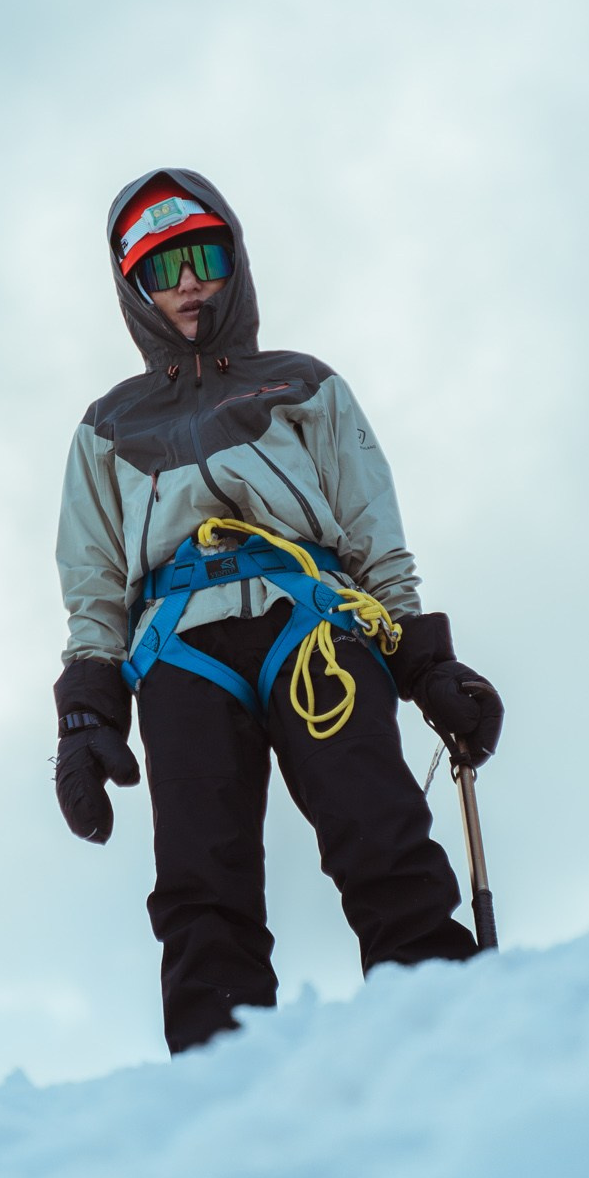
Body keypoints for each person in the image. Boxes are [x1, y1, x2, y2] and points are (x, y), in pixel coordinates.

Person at [52, 168, 505, 1054]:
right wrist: (85, 713)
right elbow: (94, 581)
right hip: (180, 651)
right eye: (161, 267)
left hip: (316, 630)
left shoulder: (303, 385)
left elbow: (376, 536)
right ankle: (222, 1090)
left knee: (379, 833)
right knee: (199, 884)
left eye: (204, 256)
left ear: (235, 263)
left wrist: (425, 663)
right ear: (134, 289)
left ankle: (451, 1041)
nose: (187, 282)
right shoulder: (106, 428)